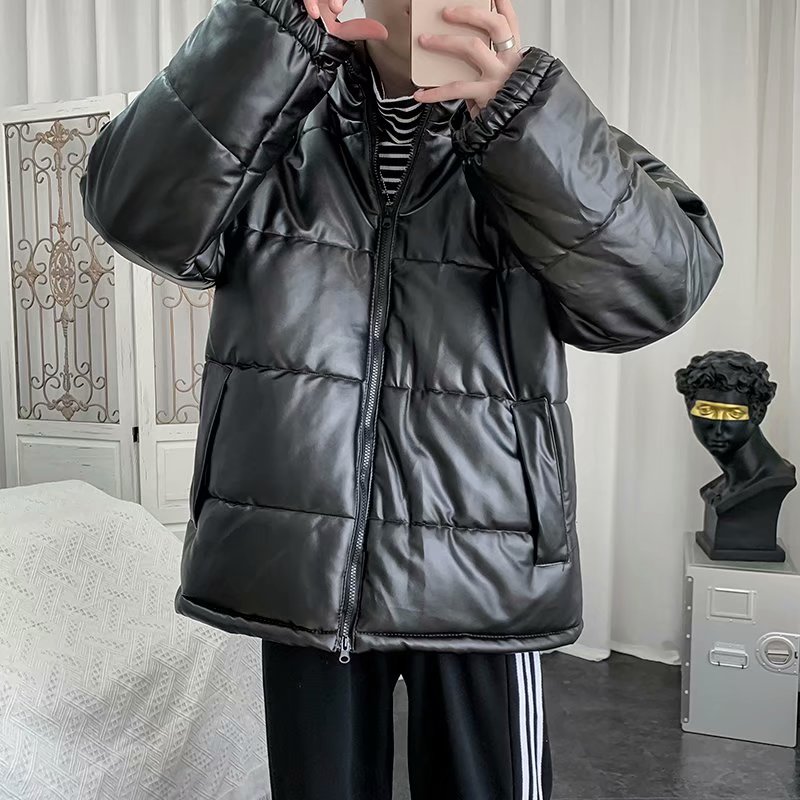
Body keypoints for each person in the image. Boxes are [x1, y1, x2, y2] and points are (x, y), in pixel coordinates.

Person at [79, 0, 725, 797]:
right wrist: (274, 29)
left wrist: (517, 113)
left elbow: (661, 287)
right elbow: (133, 210)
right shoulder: (274, 122)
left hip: (482, 564)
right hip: (303, 558)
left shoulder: (529, 128)